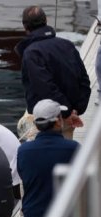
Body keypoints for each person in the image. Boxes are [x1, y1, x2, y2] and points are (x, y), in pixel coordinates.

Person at [17, 99, 79, 217]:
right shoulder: (73, 149)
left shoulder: (24, 151)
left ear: (36, 124)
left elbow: (24, 177)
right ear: (58, 120)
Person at [15, 5, 91, 139]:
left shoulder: (31, 53)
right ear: (46, 20)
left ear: (25, 27)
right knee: (66, 156)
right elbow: (84, 80)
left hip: (45, 121)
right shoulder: (68, 45)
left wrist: (66, 112)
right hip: (70, 117)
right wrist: (76, 109)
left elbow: (45, 87)